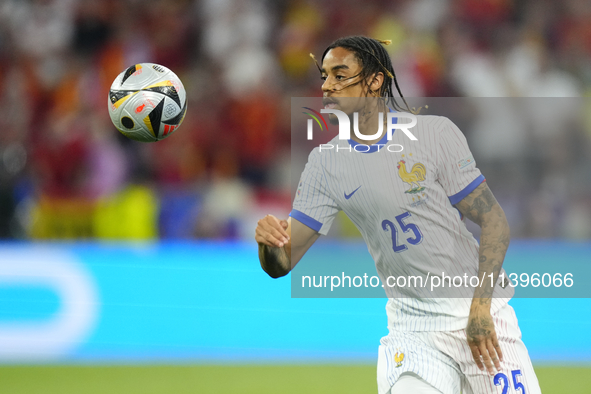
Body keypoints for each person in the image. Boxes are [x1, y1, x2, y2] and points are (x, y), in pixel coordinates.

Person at [255, 36, 541, 394]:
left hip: (482, 315)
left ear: (375, 80)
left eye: (340, 74)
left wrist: (481, 309)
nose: (327, 85)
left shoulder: (434, 134)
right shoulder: (325, 164)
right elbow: (282, 262)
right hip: (413, 331)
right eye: (324, 75)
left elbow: (494, 221)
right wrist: (269, 243)